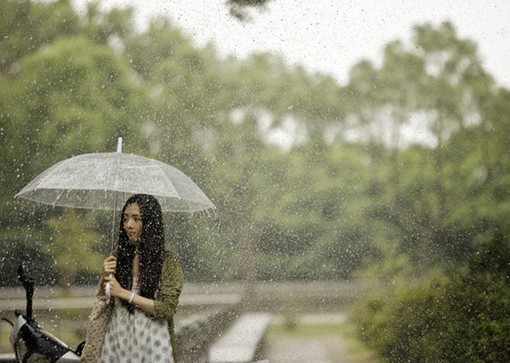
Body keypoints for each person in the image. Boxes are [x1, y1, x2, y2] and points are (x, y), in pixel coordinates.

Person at [94, 194, 183, 362]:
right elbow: (104, 299)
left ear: (150, 223)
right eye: (126, 218)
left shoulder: (167, 261)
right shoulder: (117, 257)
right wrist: (105, 276)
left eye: (136, 219)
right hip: (118, 339)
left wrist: (125, 293)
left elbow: (167, 308)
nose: (129, 225)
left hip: (152, 342)